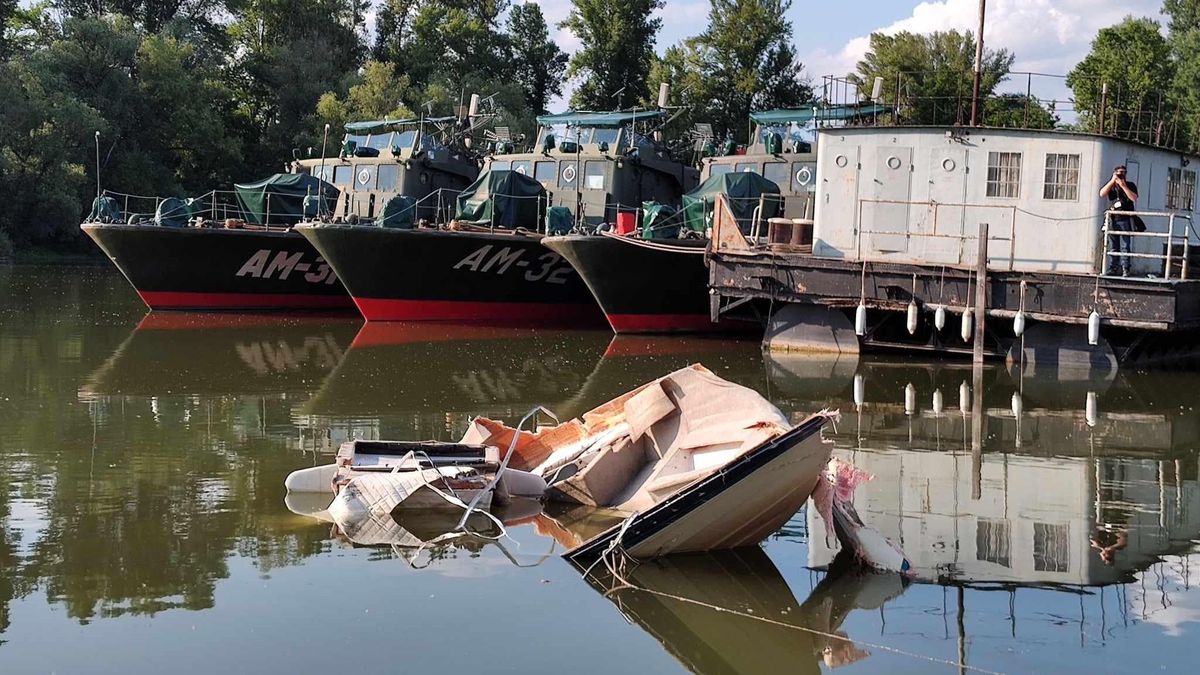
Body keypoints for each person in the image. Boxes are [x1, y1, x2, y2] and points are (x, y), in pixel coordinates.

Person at [1099, 165, 1138, 276]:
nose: (1121, 175)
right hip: (1113, 218)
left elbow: (1134, 198)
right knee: (1113, 245)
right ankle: (1113, 267)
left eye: (1123, 173)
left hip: (1125, 218)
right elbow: (1102, 194)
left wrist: (1123, 186)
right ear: (1114, 173)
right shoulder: (1111, 186)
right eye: (1119, 173)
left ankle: (1126, 268)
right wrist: (1113, 181)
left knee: (1125, 246)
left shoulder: (1130, 185)